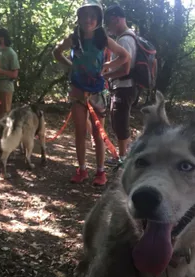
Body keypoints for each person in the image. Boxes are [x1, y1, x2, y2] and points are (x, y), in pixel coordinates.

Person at [53, 0, 130, 186]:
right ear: (78, 18)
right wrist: (72, 66)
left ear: (98, 19)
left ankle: (100, 171)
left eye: (92, 17)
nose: (88, 20)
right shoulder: (73, 39)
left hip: (97, 92)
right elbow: (56, 52)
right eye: (84, 16)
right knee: (80, 132)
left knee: (98, 133)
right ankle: (81, 169)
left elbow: (125, 56)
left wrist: (108, 67)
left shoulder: (102, 39)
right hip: (78, 91)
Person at [103, 3, 137, 165]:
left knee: (120, 122)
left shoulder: (125, 39)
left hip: (124, 87)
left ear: (115, 19)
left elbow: (125, 68)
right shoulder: (130, 36)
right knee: (118, 120)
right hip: (124, 87)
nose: (108, 28)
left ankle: (124, 158)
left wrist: (106, 75)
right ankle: (124, 156)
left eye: (108, 23)